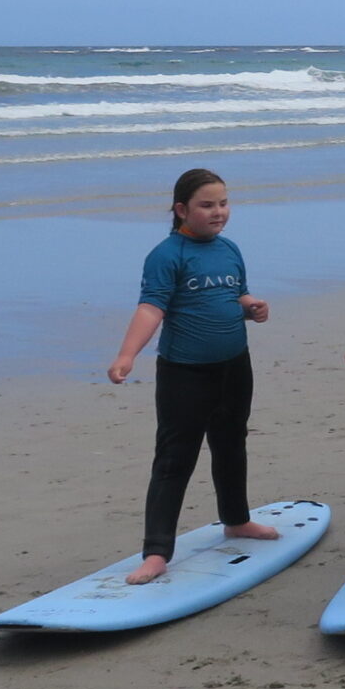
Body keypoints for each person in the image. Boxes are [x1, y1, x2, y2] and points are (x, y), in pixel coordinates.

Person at [107, 168, 278, 585]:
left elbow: (231, 294)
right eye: (207, 205)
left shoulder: (229, 249)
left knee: (231, 444)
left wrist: (250, 305)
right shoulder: (168, 255)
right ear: (182, 209)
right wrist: (127, 355)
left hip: (234, 365)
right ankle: (156, 552)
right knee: (174, 459)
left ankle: (236, 520)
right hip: (185, 373)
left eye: (223, 203)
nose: (218, 212)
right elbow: (152, 308)